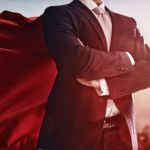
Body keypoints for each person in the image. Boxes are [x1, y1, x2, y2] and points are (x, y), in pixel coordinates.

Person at [38, 0, 150, 149]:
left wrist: (106, 85)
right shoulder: (57, 14)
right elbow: (77, 60)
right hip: (73, 135)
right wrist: (127, 58)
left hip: (122, 134)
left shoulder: (128, 23)